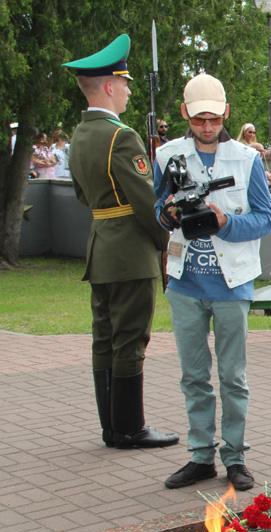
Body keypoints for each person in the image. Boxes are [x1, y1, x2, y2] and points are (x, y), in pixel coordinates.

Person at [154, 73, 271, 491]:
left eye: (213, 118)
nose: (207, 126)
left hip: (232, 284)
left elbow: (266, 219)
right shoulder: (167, 154)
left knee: (233, 377)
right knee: (193, 376)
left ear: (226, 112)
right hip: (185, 283)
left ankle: (236, 456)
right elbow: (157, 207)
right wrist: (168, 213)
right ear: (185, 114)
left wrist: (225, 222)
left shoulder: (247, 159)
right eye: (198, 119)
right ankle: (200, 456)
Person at [62, 34, 178, 450]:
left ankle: (111, 427)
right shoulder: (121, 137)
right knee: (131, 339)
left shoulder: (79, 135)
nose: (128, 91)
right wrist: (166, 241)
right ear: (109, 86)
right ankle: (130, 428)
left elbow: (81, 194)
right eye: (124, 83)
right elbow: (147, 202)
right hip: (130, 254)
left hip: (100, 248)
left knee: (105, 338)